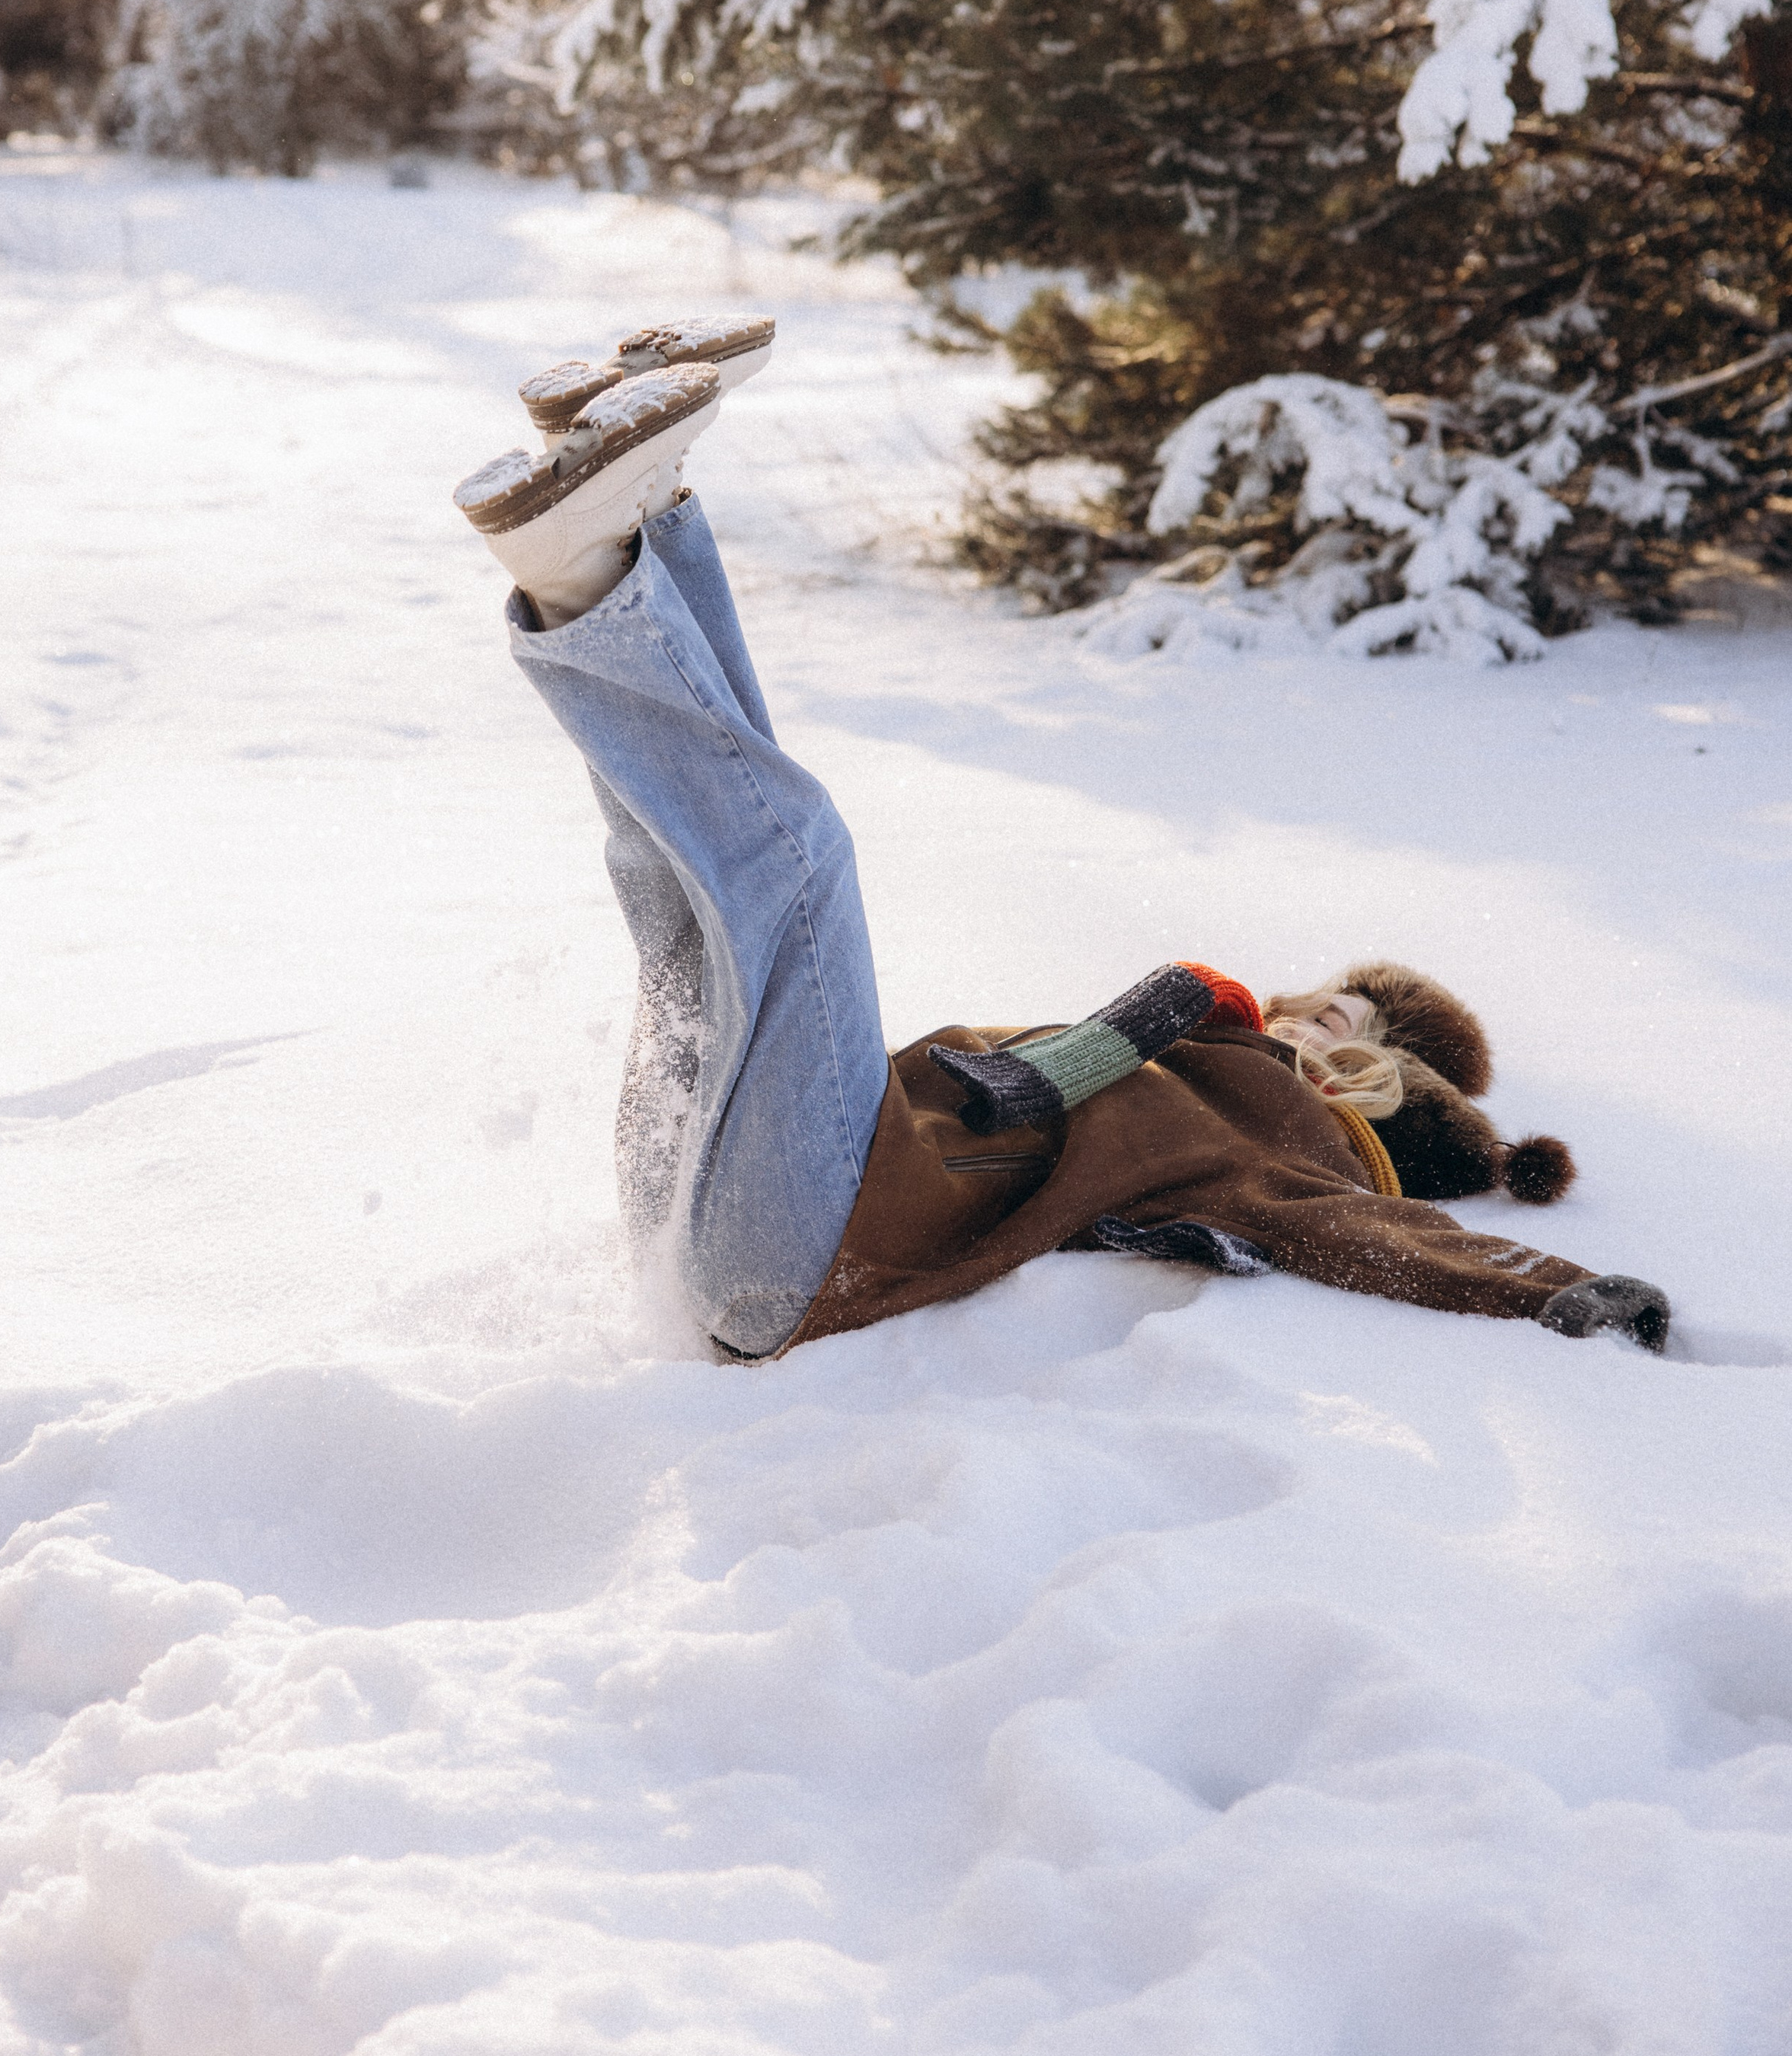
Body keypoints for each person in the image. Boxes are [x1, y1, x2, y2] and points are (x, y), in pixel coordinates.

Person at [454, 316, 1672, 1362]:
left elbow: (1385, 1236)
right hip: (730, 1207)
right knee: (684, 895)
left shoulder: (1298, 1148)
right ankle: (639, 529)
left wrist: (1553, 1288)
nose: (1309, 1023)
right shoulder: (1164, 1049)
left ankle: (584, 571)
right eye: (1317, 1005)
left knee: (796, 857)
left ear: (1387, 1092)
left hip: (816, 1249)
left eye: (1345, 1037)